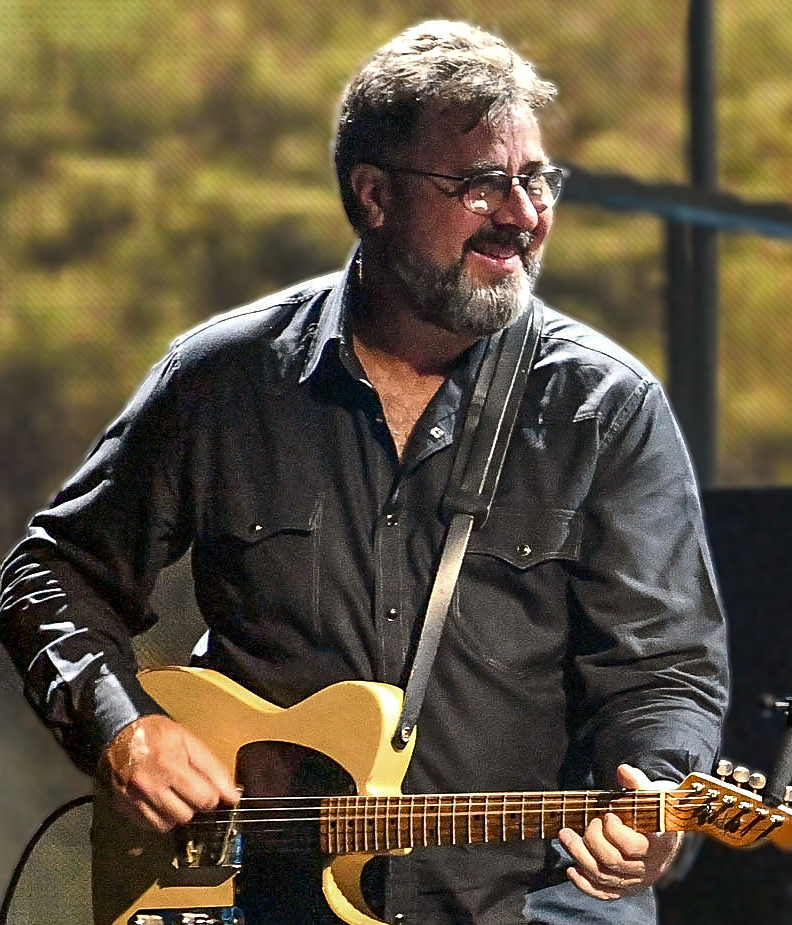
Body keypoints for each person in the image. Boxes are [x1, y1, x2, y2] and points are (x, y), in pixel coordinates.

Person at [0, 20, 729, 925]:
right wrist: (122, 728)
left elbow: (666, 673)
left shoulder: (602, 407)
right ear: (373, 194)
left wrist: (653, 797)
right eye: (478, 183)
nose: (521, 213)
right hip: (263, 902)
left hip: (529, 905)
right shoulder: (224, 380)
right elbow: (50, 572)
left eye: (535, 178)